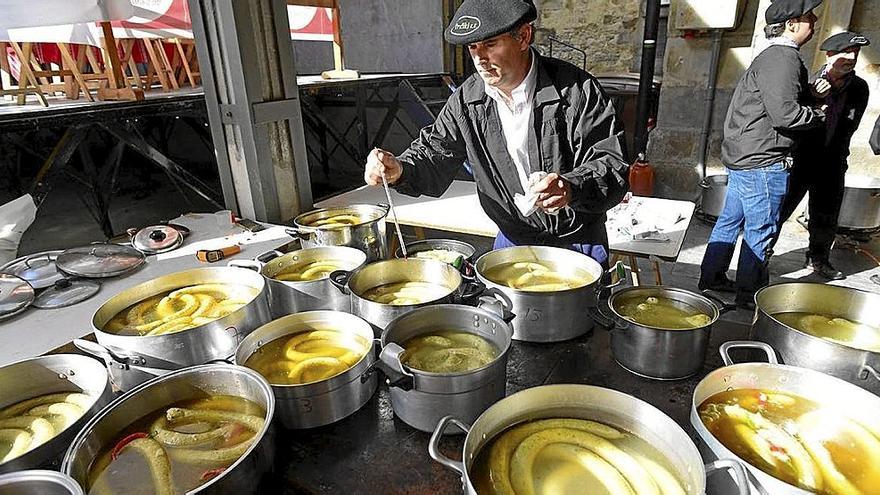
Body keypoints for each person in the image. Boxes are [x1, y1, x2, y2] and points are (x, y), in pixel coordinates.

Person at [362, 0, 628, 267]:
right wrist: (400, 169)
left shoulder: (577, 91)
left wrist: (571, 187)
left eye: (490, 44)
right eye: (472, 47)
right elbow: (435, 152)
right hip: (512, 240)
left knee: (579, 310)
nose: (479, 59)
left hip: (578, 242)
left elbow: (612, 164)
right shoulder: (467, 100)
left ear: (524, 37)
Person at [699, 0, 826, 309]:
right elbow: (784, 114)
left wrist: (808, 92)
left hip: (748, 157)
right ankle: (751, 295)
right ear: (792, 24)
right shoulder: (783, 58)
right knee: (761, 230)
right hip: (763, 161)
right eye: (810, 16)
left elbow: (773, 100)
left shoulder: (773, 57)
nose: (815, 20)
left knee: (730, 222)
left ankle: (713, 279)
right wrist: (816, 114)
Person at [779, 32, 870, 280]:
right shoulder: (808, 79)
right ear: (829, 55)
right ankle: (762, 253)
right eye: (845, 53)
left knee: (826, 215)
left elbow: (851, 124)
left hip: (833, 160)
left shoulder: (859, 87)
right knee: (780, 209)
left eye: (855, 54)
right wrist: (813, 98)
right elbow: (791, 114)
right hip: (801, 158)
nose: (851, 58)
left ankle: (819, 259)